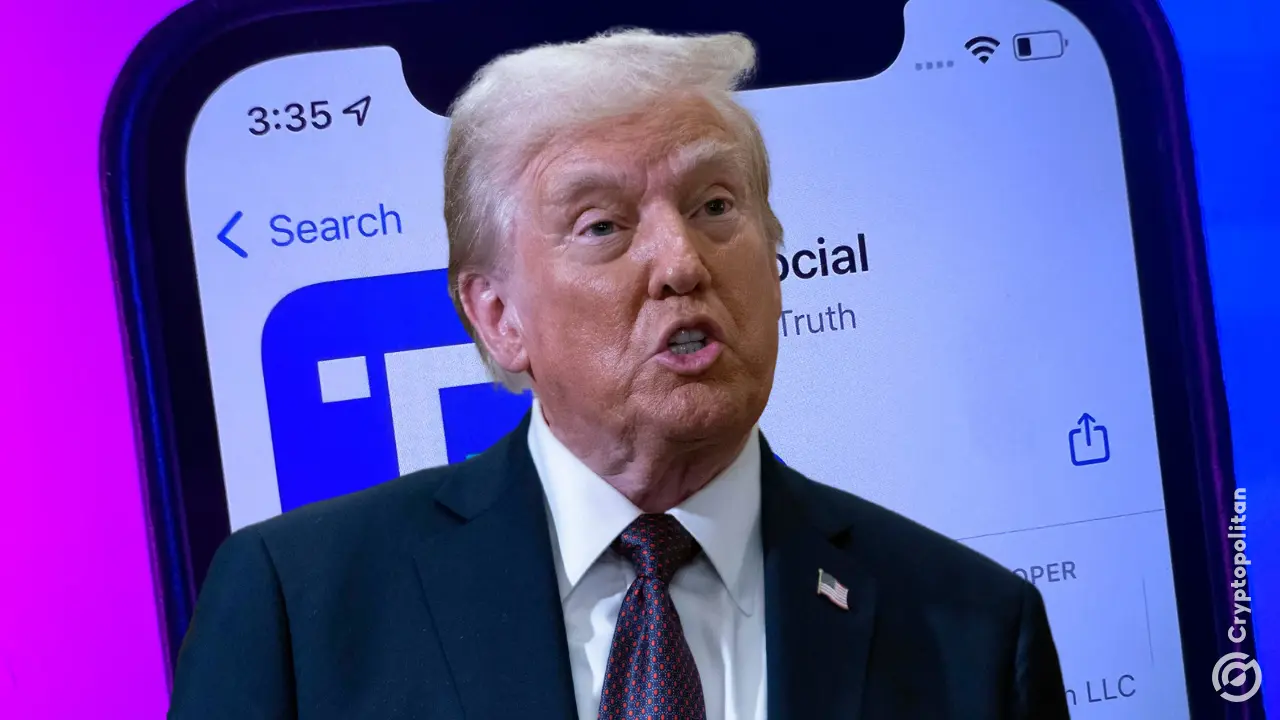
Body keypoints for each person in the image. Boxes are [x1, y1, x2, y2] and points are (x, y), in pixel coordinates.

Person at [169, 30, 1069, 720]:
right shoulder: (298, 606)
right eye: (602, 225)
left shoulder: (974, 628)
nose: (681, 261)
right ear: (497, 316)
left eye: (715, 205)